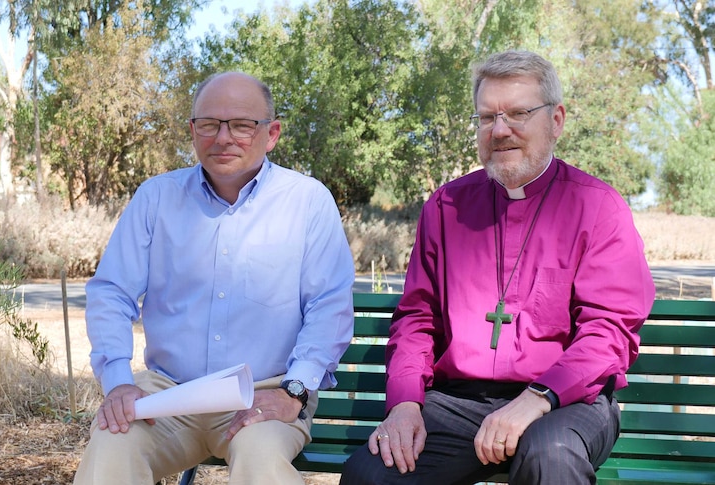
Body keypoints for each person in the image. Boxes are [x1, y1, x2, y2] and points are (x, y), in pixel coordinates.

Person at [339, 50, 655, 485]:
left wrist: (538, 397)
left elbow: (609, 332)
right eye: (487, 118)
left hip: (564, 402)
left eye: (518, 113)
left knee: (552, 457)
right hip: (457, 402)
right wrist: (405, 403)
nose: (500, 130)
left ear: (557, 120)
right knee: (372, 475)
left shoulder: (598, 207)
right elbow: (417, 318)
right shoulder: (447, 206)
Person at [73, 71, 355, 485]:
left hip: (264, 393)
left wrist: (295, 390)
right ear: (192, 130)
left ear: (271, 133)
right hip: (167, 394)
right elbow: (112, 293)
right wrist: (117, 382)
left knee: (262, 462)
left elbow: (328, 306)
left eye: (242, 125)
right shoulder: (156, 198)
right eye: (209, 124)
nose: (223, 138)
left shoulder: (307, 202)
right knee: (111, 446)